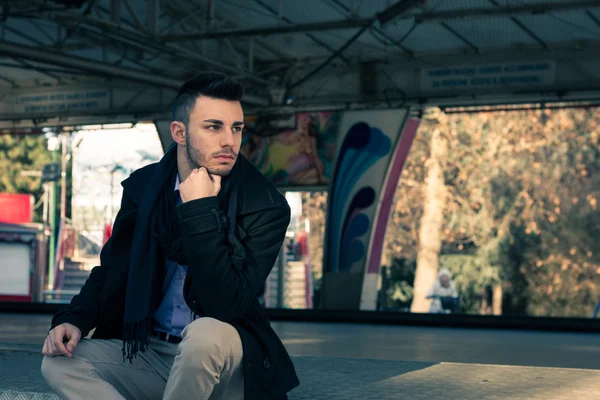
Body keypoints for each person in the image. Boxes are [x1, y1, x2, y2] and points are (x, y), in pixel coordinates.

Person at [40, 72, 300, 400]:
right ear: (179, 132)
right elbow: (111, 272)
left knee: (203, 335)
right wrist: (74, 319)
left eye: (236, 128)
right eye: (213, 126)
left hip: (226, 360)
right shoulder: (144, 190)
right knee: (59, 364)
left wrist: (201, 211)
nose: (229, 141)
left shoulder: (264, 204)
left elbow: (227, 304)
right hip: (153, 352)